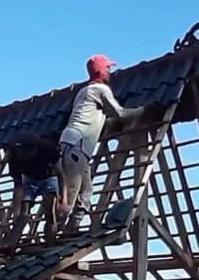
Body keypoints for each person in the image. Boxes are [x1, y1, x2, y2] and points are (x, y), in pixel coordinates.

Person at [57, 55, 145, 230]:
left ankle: (71, 228)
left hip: (72, 145)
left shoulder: (83, 92)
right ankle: (55, 231)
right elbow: (119, 113)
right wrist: (142, 110)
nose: (110, 72)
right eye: (107, 68)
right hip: (78, 146)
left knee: (87, 190)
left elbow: (100, 119)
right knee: (71, 195)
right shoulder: (101, 90)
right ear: (100, 71)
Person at [7, 134, 64, 241]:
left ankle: (50, 242)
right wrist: (16, 211)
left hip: (49, 177)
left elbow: (61, 175)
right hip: (30, 180)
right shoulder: (14, 155)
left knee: (50, 211)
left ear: (34, 150)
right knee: (23, 212)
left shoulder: (47, 148)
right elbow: (18, 186)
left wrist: (63, 198)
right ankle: (13, 243)